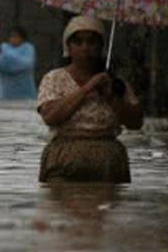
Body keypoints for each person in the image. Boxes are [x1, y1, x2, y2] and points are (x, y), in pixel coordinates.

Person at [37, 16, 143, 184]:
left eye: (92, 42)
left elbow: (136, 123)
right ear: (68, 47)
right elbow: (50, 117)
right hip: (63, 158)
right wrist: (86, 89)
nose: (85, 48)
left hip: (107, 161)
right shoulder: (54, 78)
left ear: (102, 47)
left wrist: (111, 97)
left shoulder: (115, 83)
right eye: (78, 42)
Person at [0, 26, 37, 100]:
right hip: (7, 91)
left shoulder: (28, 48)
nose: (13, 39)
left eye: (16, 37)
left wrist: (11, 61)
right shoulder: (4, 48)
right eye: (12, 37)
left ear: (22, 38)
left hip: (25, 89)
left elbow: (27, 63)